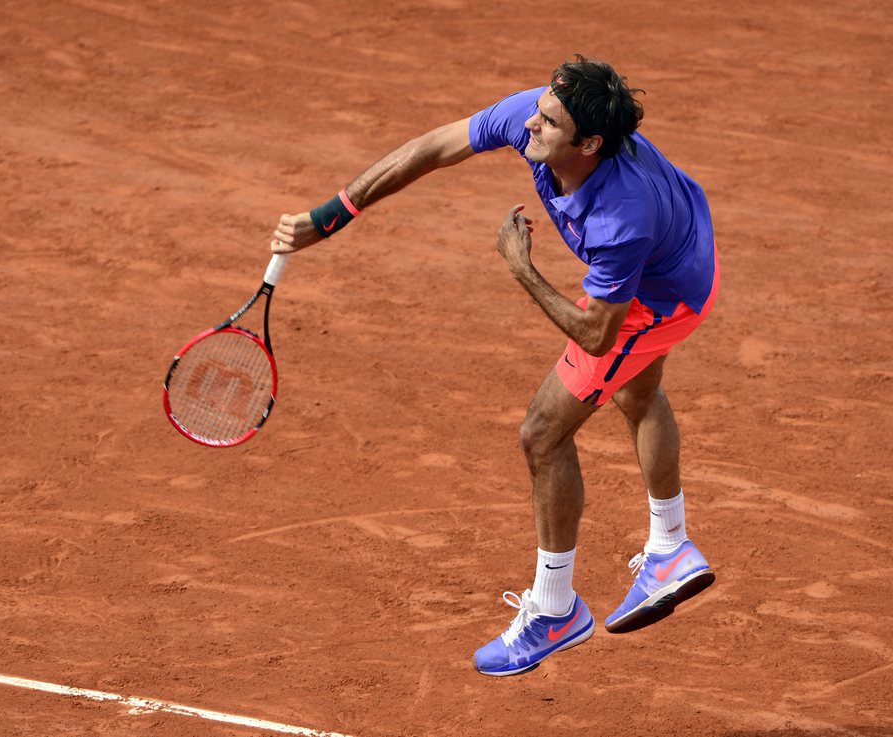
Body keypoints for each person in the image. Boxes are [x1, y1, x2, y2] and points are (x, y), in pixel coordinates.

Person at [271, 55, 718, 677]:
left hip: (661, 296)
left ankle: (556, 609)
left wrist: (521, 267)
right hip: (685, 241)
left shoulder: (621, 215)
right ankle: (670, 546)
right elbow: (435, 146)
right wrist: (331, 215)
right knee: (635, 393)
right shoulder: (540, 116)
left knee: (543, 432)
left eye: (549, 123)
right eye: (538, 111)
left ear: (589, 143)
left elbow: (595, 334)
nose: (530, 125)